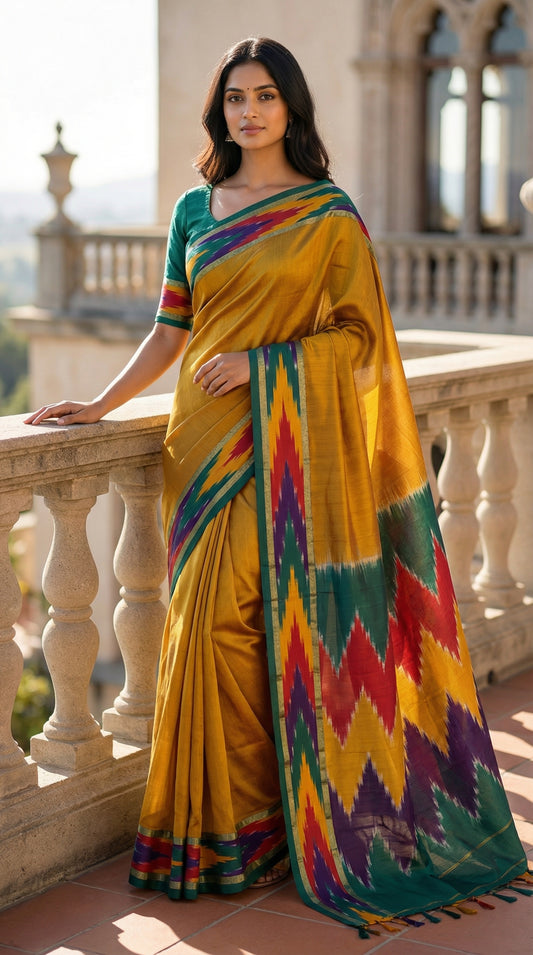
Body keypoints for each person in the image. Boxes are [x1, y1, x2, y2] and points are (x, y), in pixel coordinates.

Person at [26, 37, 529, 935]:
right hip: (203, 446)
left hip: (287, 441)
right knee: (205, 625)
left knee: (259, 621)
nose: (248, 112)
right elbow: (170, 331)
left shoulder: (328, 216)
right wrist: (98, 402)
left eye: (264, 96)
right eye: (233, 99)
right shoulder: (195, 208)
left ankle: (274, 820)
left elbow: (359, 341)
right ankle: (226, 830)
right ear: (220, 111)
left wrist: (265, 363)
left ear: (291, 107)